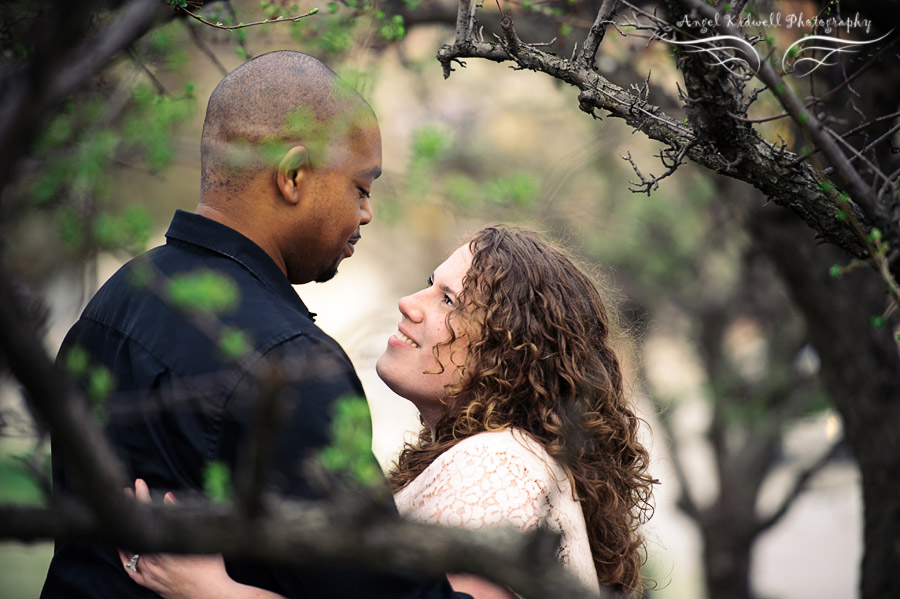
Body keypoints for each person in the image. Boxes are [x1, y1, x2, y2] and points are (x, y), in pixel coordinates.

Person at [41, 50, 468, 599]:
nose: (366, 213)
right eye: (361, 188)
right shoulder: (286, 363)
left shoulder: (117, 297)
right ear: (292, 176)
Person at [122, 225, 656, 599]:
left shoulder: (499, 467)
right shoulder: (485, 456)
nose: (410, 303)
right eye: (431, 283)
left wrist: (209, 590)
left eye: (449, 301)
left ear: (511, 363)